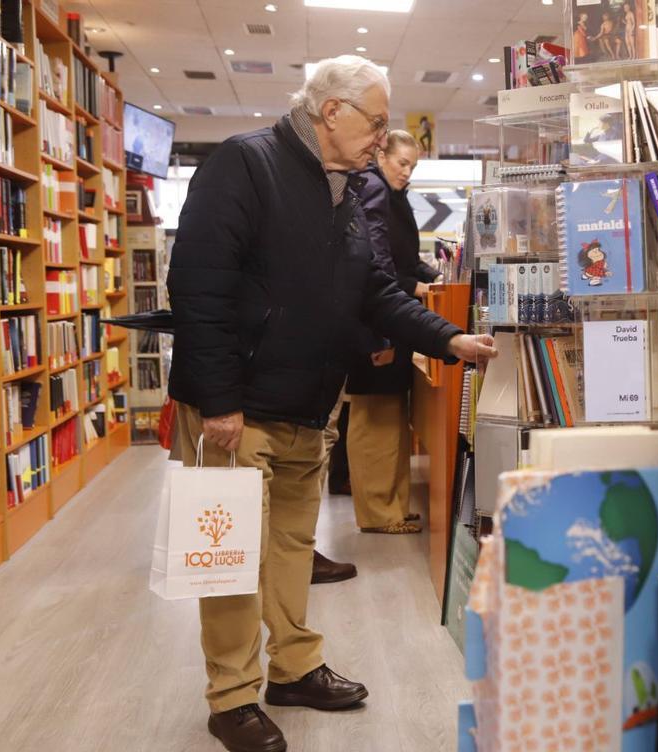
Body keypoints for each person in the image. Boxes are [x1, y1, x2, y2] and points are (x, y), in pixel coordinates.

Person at [167, 55, 497, 752]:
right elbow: (199, 289)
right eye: (376, 122)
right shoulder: (243, 164)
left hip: (307, 404)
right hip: (238, 410)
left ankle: (292, 667)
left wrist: (449, 339)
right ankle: (231, 699)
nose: (383, 135)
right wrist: (220, 401)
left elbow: (373, 290)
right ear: (332, 111)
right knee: (231, 558)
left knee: (290, 545)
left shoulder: (346, 189)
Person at [339, 130, 438, 535]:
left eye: (413, 165)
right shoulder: (373, 191)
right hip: (375, 323)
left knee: (392, 418)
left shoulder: (393, 196)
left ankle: (394, 506)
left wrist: (434, 277)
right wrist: (416, 286)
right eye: (402, 162)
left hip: (390, 320)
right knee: (375, 420)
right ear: (381, 154)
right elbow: (373, 264)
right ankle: (379, 512)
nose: (407, 171)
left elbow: (405, 258)